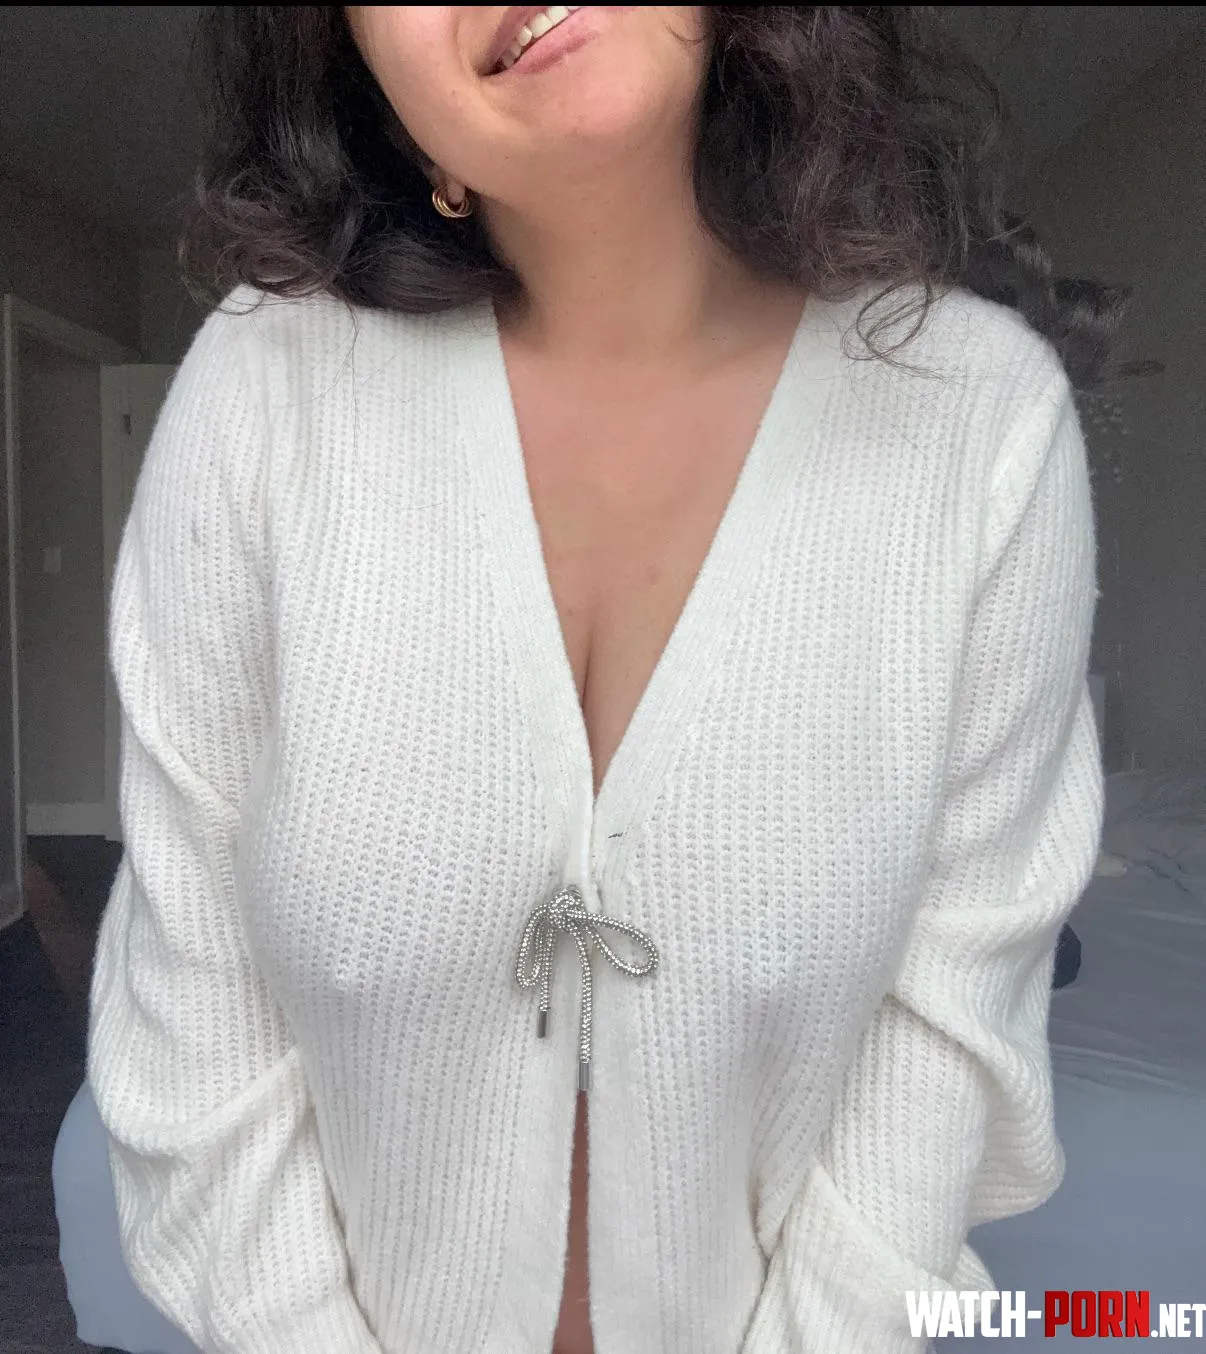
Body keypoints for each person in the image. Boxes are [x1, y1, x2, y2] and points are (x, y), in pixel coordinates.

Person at [83, 7, 1126, 1353]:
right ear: (366, 77)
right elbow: (195, 992)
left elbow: (945, 1035)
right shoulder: (264, 385)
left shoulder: (979, 422)